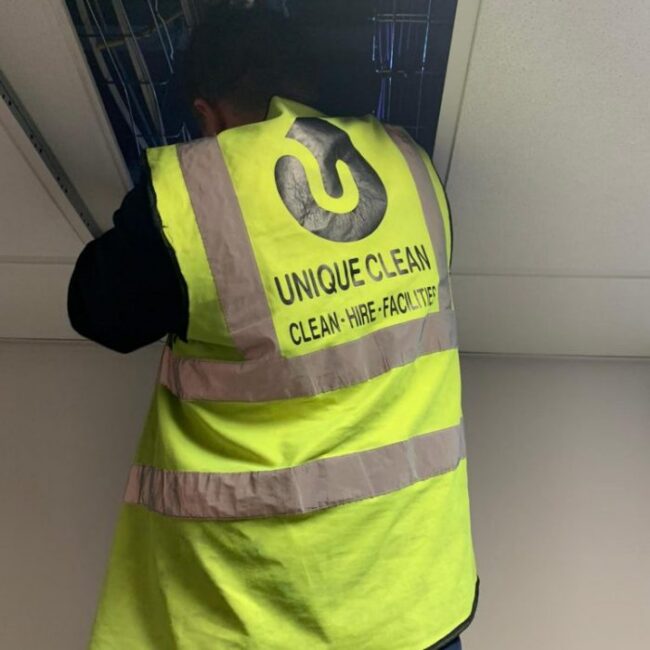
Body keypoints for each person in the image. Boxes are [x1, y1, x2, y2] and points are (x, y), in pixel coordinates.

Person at [68, 5, 479, 649]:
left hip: (255, 614)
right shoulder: (412, 165)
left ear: (206, 114)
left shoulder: (188, 195)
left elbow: (97, 311)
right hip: (415, 599)